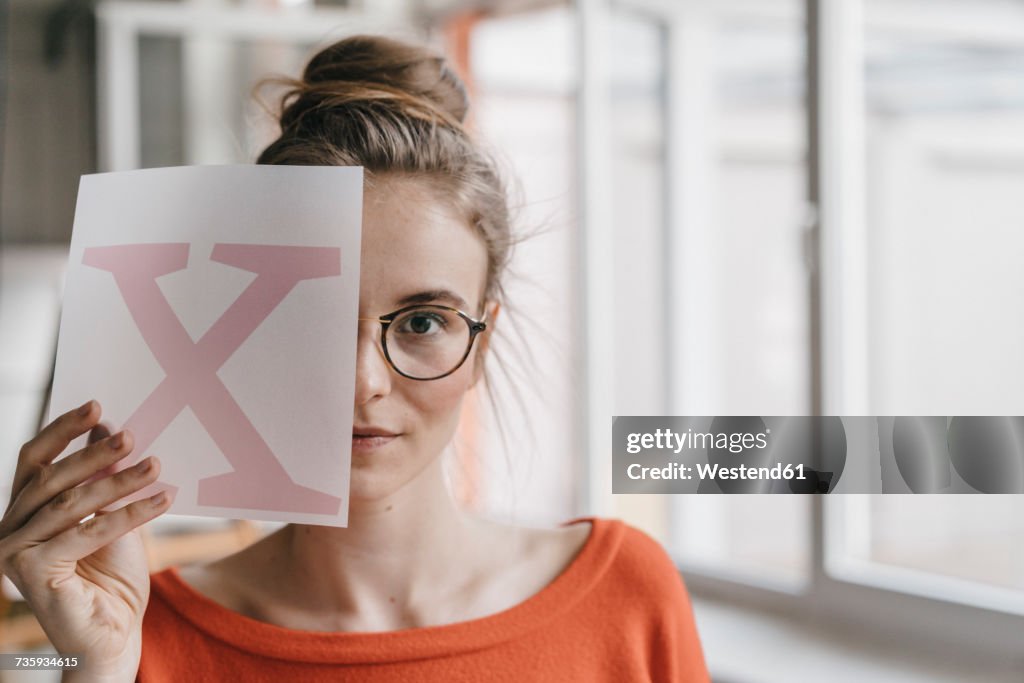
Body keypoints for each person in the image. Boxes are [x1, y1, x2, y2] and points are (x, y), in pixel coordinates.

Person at [0, 35, 709, 682]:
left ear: (480, 342)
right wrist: (94, 668)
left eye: (423, 321)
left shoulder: (627, 597)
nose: (363, 382)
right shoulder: (136, 636)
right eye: (310, 319)